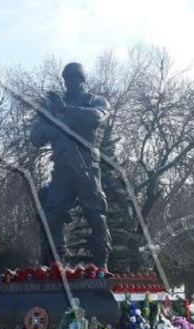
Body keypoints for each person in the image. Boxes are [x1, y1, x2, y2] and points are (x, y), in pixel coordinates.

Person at [30, 62, 112, 269]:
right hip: (62, 170)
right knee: (52, 217)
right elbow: (35, 136)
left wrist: (67, 110)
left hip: (87, 169)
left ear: (82, 80)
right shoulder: (52, 106)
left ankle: (102, 266)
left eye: (73, 78)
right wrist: (53, 128)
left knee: (96, 216)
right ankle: (57, 266)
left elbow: (97, 117)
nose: (69, 83)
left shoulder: (96, 101)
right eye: (66, 79)